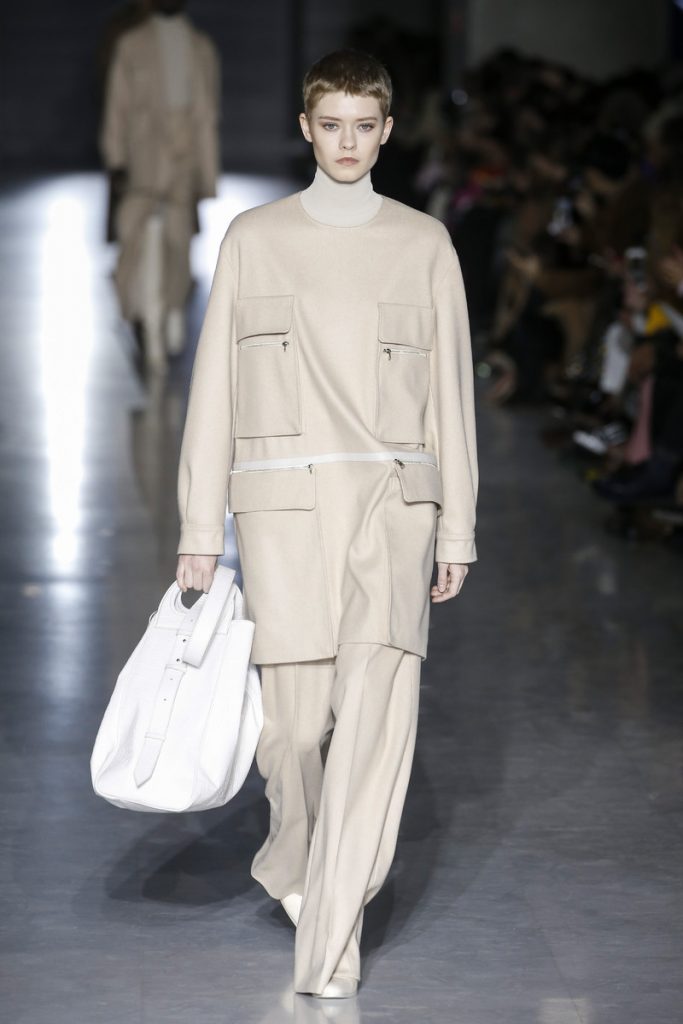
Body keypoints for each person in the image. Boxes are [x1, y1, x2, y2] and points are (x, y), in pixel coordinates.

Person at [175, 50, 478, 999]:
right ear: (307, 128)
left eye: (364, 126)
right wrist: (197, 527)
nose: (347, 142)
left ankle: (331, 944)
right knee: (296, 733)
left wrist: (456, 530)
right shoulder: (255, 238)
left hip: (393, 506)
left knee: (376, 732)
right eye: (331, 125)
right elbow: (214, 391)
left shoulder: (423, 243)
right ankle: (295, 863)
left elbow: (451, 399)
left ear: (387, 132)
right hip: (283, 512)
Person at [101, 0, 220, 370]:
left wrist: (206, 172)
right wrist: (116, 158)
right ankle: (146, 318)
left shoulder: (201, 47)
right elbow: (118, 104)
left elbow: (207, 115)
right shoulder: (131, 44)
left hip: (183, 158)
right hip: (144, 155)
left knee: (178, 241)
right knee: (136, 241)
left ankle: (171, 311)